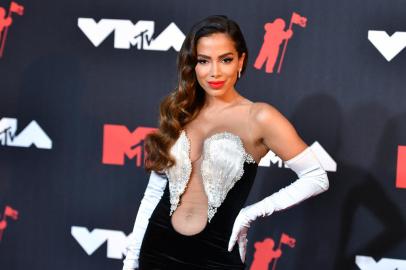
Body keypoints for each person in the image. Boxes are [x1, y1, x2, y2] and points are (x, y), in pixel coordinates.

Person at [122, 15, 329, 270]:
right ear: (193, 65)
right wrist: (131, 261)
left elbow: (316, 177)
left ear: (241, 61)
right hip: (157, 249)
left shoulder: (259, 116)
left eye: (226, 59)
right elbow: (154, 192)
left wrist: (251, 213)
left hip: (216, 257)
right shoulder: (181, 112)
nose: (215, 72)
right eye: (204, 61)